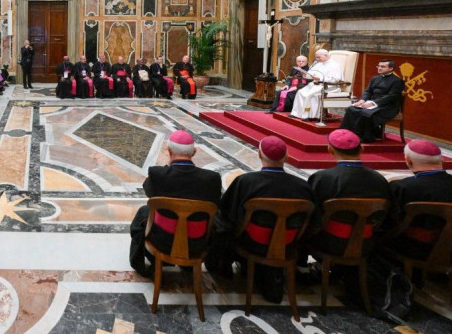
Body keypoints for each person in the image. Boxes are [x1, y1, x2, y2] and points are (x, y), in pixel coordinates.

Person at [205, 136, 314, 302]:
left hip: (252, 242)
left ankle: (221, 265)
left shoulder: (246, 182)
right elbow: (312, 223)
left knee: (221, 222)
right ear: (286, 157)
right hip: (288, 243)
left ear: (259, 155)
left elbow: (227, 213)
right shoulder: (303, 187)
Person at [128, 130, 222, 277]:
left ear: (169, 151)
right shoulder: (212, 179)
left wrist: (168, 165)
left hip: (163, 241)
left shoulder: (158, 174)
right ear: (194, 152)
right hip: (197, 243)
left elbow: (149, 191)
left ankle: (143, 263)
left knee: (144, 212)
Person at [306, 129, 393, 256]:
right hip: (366, 243)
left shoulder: (322, 178)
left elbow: (311, 214)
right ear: (362, 149)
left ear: (330, 150)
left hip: (328, 241)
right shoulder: (379, 179)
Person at [386, 140, 452, 259]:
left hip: (413, 250)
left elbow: (389, 222)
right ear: (442, 160)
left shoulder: (402, 187)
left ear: (408, 161)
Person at [339, 58, 405, 143]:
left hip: (388, 106)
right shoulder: (375, 78)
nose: (379, 68)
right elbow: (368, 91)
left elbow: (391, 97)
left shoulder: (397, 81)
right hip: (372, 103)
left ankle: (364, 137)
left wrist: (373, 103)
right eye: (378, 66)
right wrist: (362, 100)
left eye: (383, 67)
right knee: (351, 109)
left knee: (366, 113)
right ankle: (345, 133)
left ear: (391, 68)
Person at [290, 49, 344, 121]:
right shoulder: (318, 64)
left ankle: (310, 116)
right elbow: (310, 74)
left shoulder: (335, 65)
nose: (317, 59)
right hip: (315, 85)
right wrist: (305, 74)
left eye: (319, 57)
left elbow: (336, 79)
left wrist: (319, 78)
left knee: (310, 95)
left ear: (326, 56)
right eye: (316, 57)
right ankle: (297, 113)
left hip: (329, 86)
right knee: (300, 92)